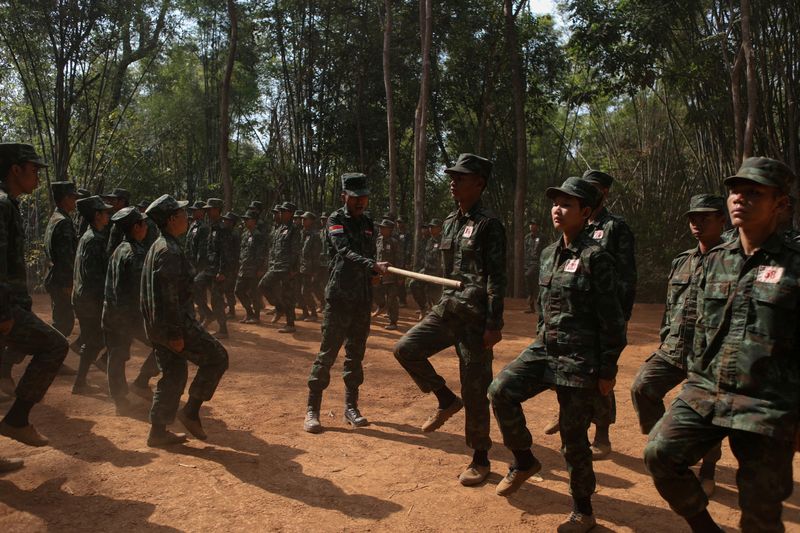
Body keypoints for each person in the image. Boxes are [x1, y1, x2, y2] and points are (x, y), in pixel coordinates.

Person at [645, 157, 800, 533]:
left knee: (760, 514)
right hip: (707, 390)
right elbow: (698, 327)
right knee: (659, 454)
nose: (739, 199)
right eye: (734, 191)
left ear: (780, 203)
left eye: (753, 193)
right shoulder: (715, 260)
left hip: (767, 403)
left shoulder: (795, 264)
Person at [489, 177, 625, 532]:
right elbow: (545, 310)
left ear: (586, 212)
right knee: (500, 390)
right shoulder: (549, 254)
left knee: (573, 440)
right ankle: (523, 460)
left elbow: (613, 320)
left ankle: (583, 510)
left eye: (567, 204)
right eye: (555, 203)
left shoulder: (598, 259)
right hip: (545, 349)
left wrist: (607, 369)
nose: (557, 209)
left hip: (580, 361)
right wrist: (539, 340)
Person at [393, 153, 505, 487]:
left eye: (461, 177)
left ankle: (480, 459)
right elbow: (448, 273)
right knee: (405, 349)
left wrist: (493, 324)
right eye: (452, 177)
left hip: (474, 318)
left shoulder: (489, 224)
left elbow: (497, 278)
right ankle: (444, 398)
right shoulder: (451, 221)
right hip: (448, 310)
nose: (453, 182)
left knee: (476, 389)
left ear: (479, 183)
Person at [630, 194, 725, 499]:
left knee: (707, 410)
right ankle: (670, 444)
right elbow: (670, 307)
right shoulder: (681, 261)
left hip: (710, 356)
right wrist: (664, 337)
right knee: (643, 386)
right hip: (674, 348)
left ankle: (708, 469)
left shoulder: (732, 260)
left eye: (705, 218)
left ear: (721, 220)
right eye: (693, 218)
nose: (697, 223)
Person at [141, 195, 229, 447]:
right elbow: (168, 297)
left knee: (173, 373)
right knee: (218, 357)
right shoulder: (168, 251)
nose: (186, 217)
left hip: (159, 325)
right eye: (181, 213)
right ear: (171, 220)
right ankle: (190, 412)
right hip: (173, 324)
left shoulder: (159, 246)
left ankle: (157, 432)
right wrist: (175, 334)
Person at [304, 173, 386, 433]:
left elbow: (369, 253)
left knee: (355, 355)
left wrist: (373, 272)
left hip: (362, 299)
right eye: (355, 198)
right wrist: (370, 264)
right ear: (344, 197)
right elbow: (344, 251)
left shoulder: (369, 223)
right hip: (339, 297)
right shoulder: (335, 220)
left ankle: (351, 408)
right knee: (327, 353)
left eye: (364, 197)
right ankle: (312, 410)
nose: (361, 202)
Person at [0, 143, 69, 448]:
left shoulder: (8, 203)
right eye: (33, 169)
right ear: (16, 169)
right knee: (54, 344)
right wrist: (3, 312)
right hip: (3, 307)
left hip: (10, 303)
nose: (37, 177)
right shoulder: (2, 204)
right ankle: (17, 420)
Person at [574, 169, 637, 458]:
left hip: (606, 313)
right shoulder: (579, 223)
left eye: (595, 187)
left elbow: (626, 273)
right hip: (579, 312)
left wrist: (620, 315)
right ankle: (582, 422)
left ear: (605, 192)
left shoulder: (615, 226)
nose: (589, 190)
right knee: (580, 367)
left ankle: (602, 434)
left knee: (602, 370)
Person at [102, 206, 160, 415]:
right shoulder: (135, 253)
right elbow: (139, 293)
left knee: (115, 357)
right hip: (128, 317)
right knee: (163, 346)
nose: (146, 227)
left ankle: (121, 400)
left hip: (112, 313)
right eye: (143, 224)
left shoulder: (119, 249)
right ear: (137, 227)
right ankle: (140, 383)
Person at [72, 195, 113, 394]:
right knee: (95, 340)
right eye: (105, 212)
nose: (108, 215)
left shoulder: (89, 236)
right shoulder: (94, 240)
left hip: (85, 298)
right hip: (90, 300)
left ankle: (81, 381)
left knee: (94, 339)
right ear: (97, 216)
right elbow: (94, 276)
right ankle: (79, 383)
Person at [43, 181, 80, 339]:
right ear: (64, 198)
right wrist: (67, 283)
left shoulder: (55, 218)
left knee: (62, 321)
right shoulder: (63, 222)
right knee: (63, 323)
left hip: (54, 277)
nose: (75, 201)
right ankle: (47, 355)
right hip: (60, 280)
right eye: (72, 197)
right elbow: (65, 256)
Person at [260, 201, 301, 333]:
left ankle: (290, 324)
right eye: (280, 211)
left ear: (290, 213)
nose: (281, 213)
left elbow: (295, 251)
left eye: (284, 211)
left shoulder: (294, 229)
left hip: (286, 268)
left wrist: (292, 269)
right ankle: (279, 307)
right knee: (263, 285)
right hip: (275, 266)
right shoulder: (279, 228)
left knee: (287, 295)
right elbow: (274, 249)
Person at [200, 198, 230, 338]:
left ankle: (223, 330)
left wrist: (222, 271)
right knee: (193, 286)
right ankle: (208, 314)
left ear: (217, 210)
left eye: (209, 209)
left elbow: (225, 252)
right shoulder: (211, 226)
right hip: (209, 268)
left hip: (218, 270)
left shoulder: (223, 229)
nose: (207, 212)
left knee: (216, 300)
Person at [235, 210, 267, 323]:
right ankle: (249, 312)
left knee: (254, 293)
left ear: (254, 221)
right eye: (244, 219)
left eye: (247, 219)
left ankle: (256, 317)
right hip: (243, 268)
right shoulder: (245, 234)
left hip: (254, 269)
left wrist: (260, 268)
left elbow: (261, 253)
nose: (244, 221)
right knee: (238, 291)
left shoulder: (258, 235)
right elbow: (242, 251)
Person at [409, 219, 443, 321]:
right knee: (413, 284)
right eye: (430, 227)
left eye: (433, 227)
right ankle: (423, 307)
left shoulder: (444, 241)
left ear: (440, 228)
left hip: (438, 274)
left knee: (436, 298)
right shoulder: (429, 240)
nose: (431, 229)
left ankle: (436, 319)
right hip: (426, 271)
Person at [374, 218, 401, 330]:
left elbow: (399, 259)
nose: (380, 229)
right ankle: (381, 305)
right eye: (380, 227)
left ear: (390, 230)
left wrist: (399, 277)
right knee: (374, 290)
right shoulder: (378, 240)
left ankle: (393, 322)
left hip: (391, 275)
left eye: (383, 228)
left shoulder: (394, 242)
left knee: (392, 299)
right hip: (379, 273)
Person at [186, 200, 210, 320]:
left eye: (196, 210)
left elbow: (202, 249)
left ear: (202, 212)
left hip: (198, 264)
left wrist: (198, 266)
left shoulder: (204, 227)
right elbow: (189, 245)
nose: (193, 212)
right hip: (190, 263)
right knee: (193, 290)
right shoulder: (193, 225)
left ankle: (205, 315)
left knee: (199, 290)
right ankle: (202, 314)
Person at [299, 212, 321, 322]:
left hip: (309, 269)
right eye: (302, 219)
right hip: (300, 267)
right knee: (299, 291)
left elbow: (316, 255)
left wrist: (315, 272)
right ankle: (305, 312)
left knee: (305, 292)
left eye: (305, 219)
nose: (303, 221)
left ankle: (313, 313)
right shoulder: (302, 233)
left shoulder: (315, 235)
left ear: (311, 221)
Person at [221, 211, 241, 319]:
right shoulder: (226, 233)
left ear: (232, 222)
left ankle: (232, 311)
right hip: (226, 265)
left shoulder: (234, 234)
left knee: (229, 289)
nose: (224, 222)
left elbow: (237, 252)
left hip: (232, 266)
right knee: (225, 288)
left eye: (227, 220)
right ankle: (228, 307)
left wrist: (235, 267)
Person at [103, 187, 131, 255]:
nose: (110, 202)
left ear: (122, 201)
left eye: (113, 200)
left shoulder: (128, 219)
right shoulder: (113, 216)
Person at [523, 220, 543, 314]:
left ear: (537, 226)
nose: (531, 226)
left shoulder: (542, 237)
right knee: (530, 286)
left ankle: (540, 307)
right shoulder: (527, 237)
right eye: (530, 224)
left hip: (537, 263)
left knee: (531, 278)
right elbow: (525, 251)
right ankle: (532, 308)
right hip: (528, 263)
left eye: (533, 224)